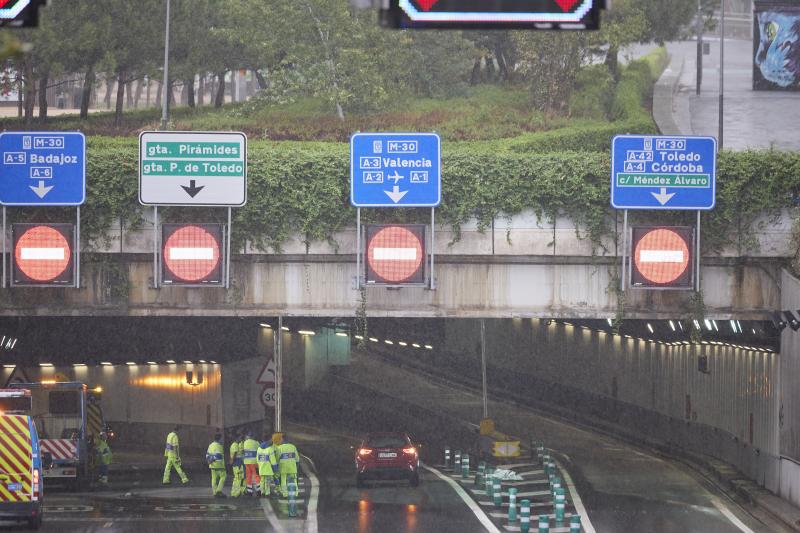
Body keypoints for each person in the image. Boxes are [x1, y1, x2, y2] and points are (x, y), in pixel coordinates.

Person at [277, 433, 301, 498]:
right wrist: (297, 466)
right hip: (292, 467)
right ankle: (295, 493)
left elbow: (277, 459)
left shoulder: (279, 448)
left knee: (283, 481)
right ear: (288, 439)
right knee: (294, 480)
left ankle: (284, 494)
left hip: (283, 468)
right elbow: (297, 459)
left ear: (282, 439)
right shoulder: (293, 447)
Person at [206, 433, 227, 498]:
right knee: (223, 476)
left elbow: (207, 455)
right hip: (219, 465)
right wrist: (212, 459)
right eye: (221, 439)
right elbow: (218, 456)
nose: (222, 440)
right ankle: (219, 491)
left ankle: (215, 492)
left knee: (214, 478)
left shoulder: (210, 445)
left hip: (212, 465)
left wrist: (209, 461)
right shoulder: (219, 446)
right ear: (219, 439)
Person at [242, 430, 261, 496]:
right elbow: (259, 450)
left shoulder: (245, 442)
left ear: (248, 436)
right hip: (254, 462)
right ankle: (259, 490)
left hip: (247, 462)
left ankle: (249, 491)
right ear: (253, 436)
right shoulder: (256, 443)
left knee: (248, 476)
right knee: (256, 475)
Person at [229, 431, 244, 497]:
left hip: (237, 463)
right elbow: (234, 454)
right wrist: (232, 461)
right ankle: (236, 493)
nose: (241, 439)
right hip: (237, 463)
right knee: (238, 478)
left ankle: (235, 492)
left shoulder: (234, 444)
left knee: (237, 478)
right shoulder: (235, 445)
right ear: (237, 438)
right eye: (240, 438)